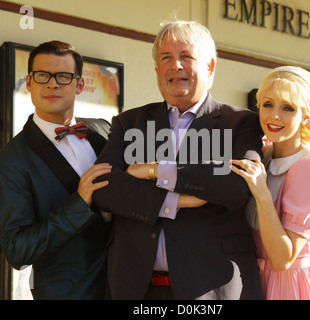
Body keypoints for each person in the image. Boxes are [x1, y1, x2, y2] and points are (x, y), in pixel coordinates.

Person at [93, 20, 263, 300]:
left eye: (186, 56)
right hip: (137, 289)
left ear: (209, 67)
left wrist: (152, 170)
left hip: (210, 288)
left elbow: (236, 186)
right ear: (157, 70)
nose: (175, 66)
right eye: (166, 58)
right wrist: (176, 200)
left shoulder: (240, 123)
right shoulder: (129, 123)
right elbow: (106, 187)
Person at [0, 41, 112, 300]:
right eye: (42, 76)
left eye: (63, 76)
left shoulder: (104, 130)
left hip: (124, 287)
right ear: (29, 83)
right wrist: (79, 203)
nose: (52, 84)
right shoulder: (12, 158)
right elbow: (16, 250)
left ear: (79, 85)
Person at [230, 66, 310, 300]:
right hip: (249, 282)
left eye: (288, 107)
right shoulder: (260, 156)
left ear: (306, 115)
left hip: (291, 289)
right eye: (268, 104)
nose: (274, 116)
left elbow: (281, 260)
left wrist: (263, 195)